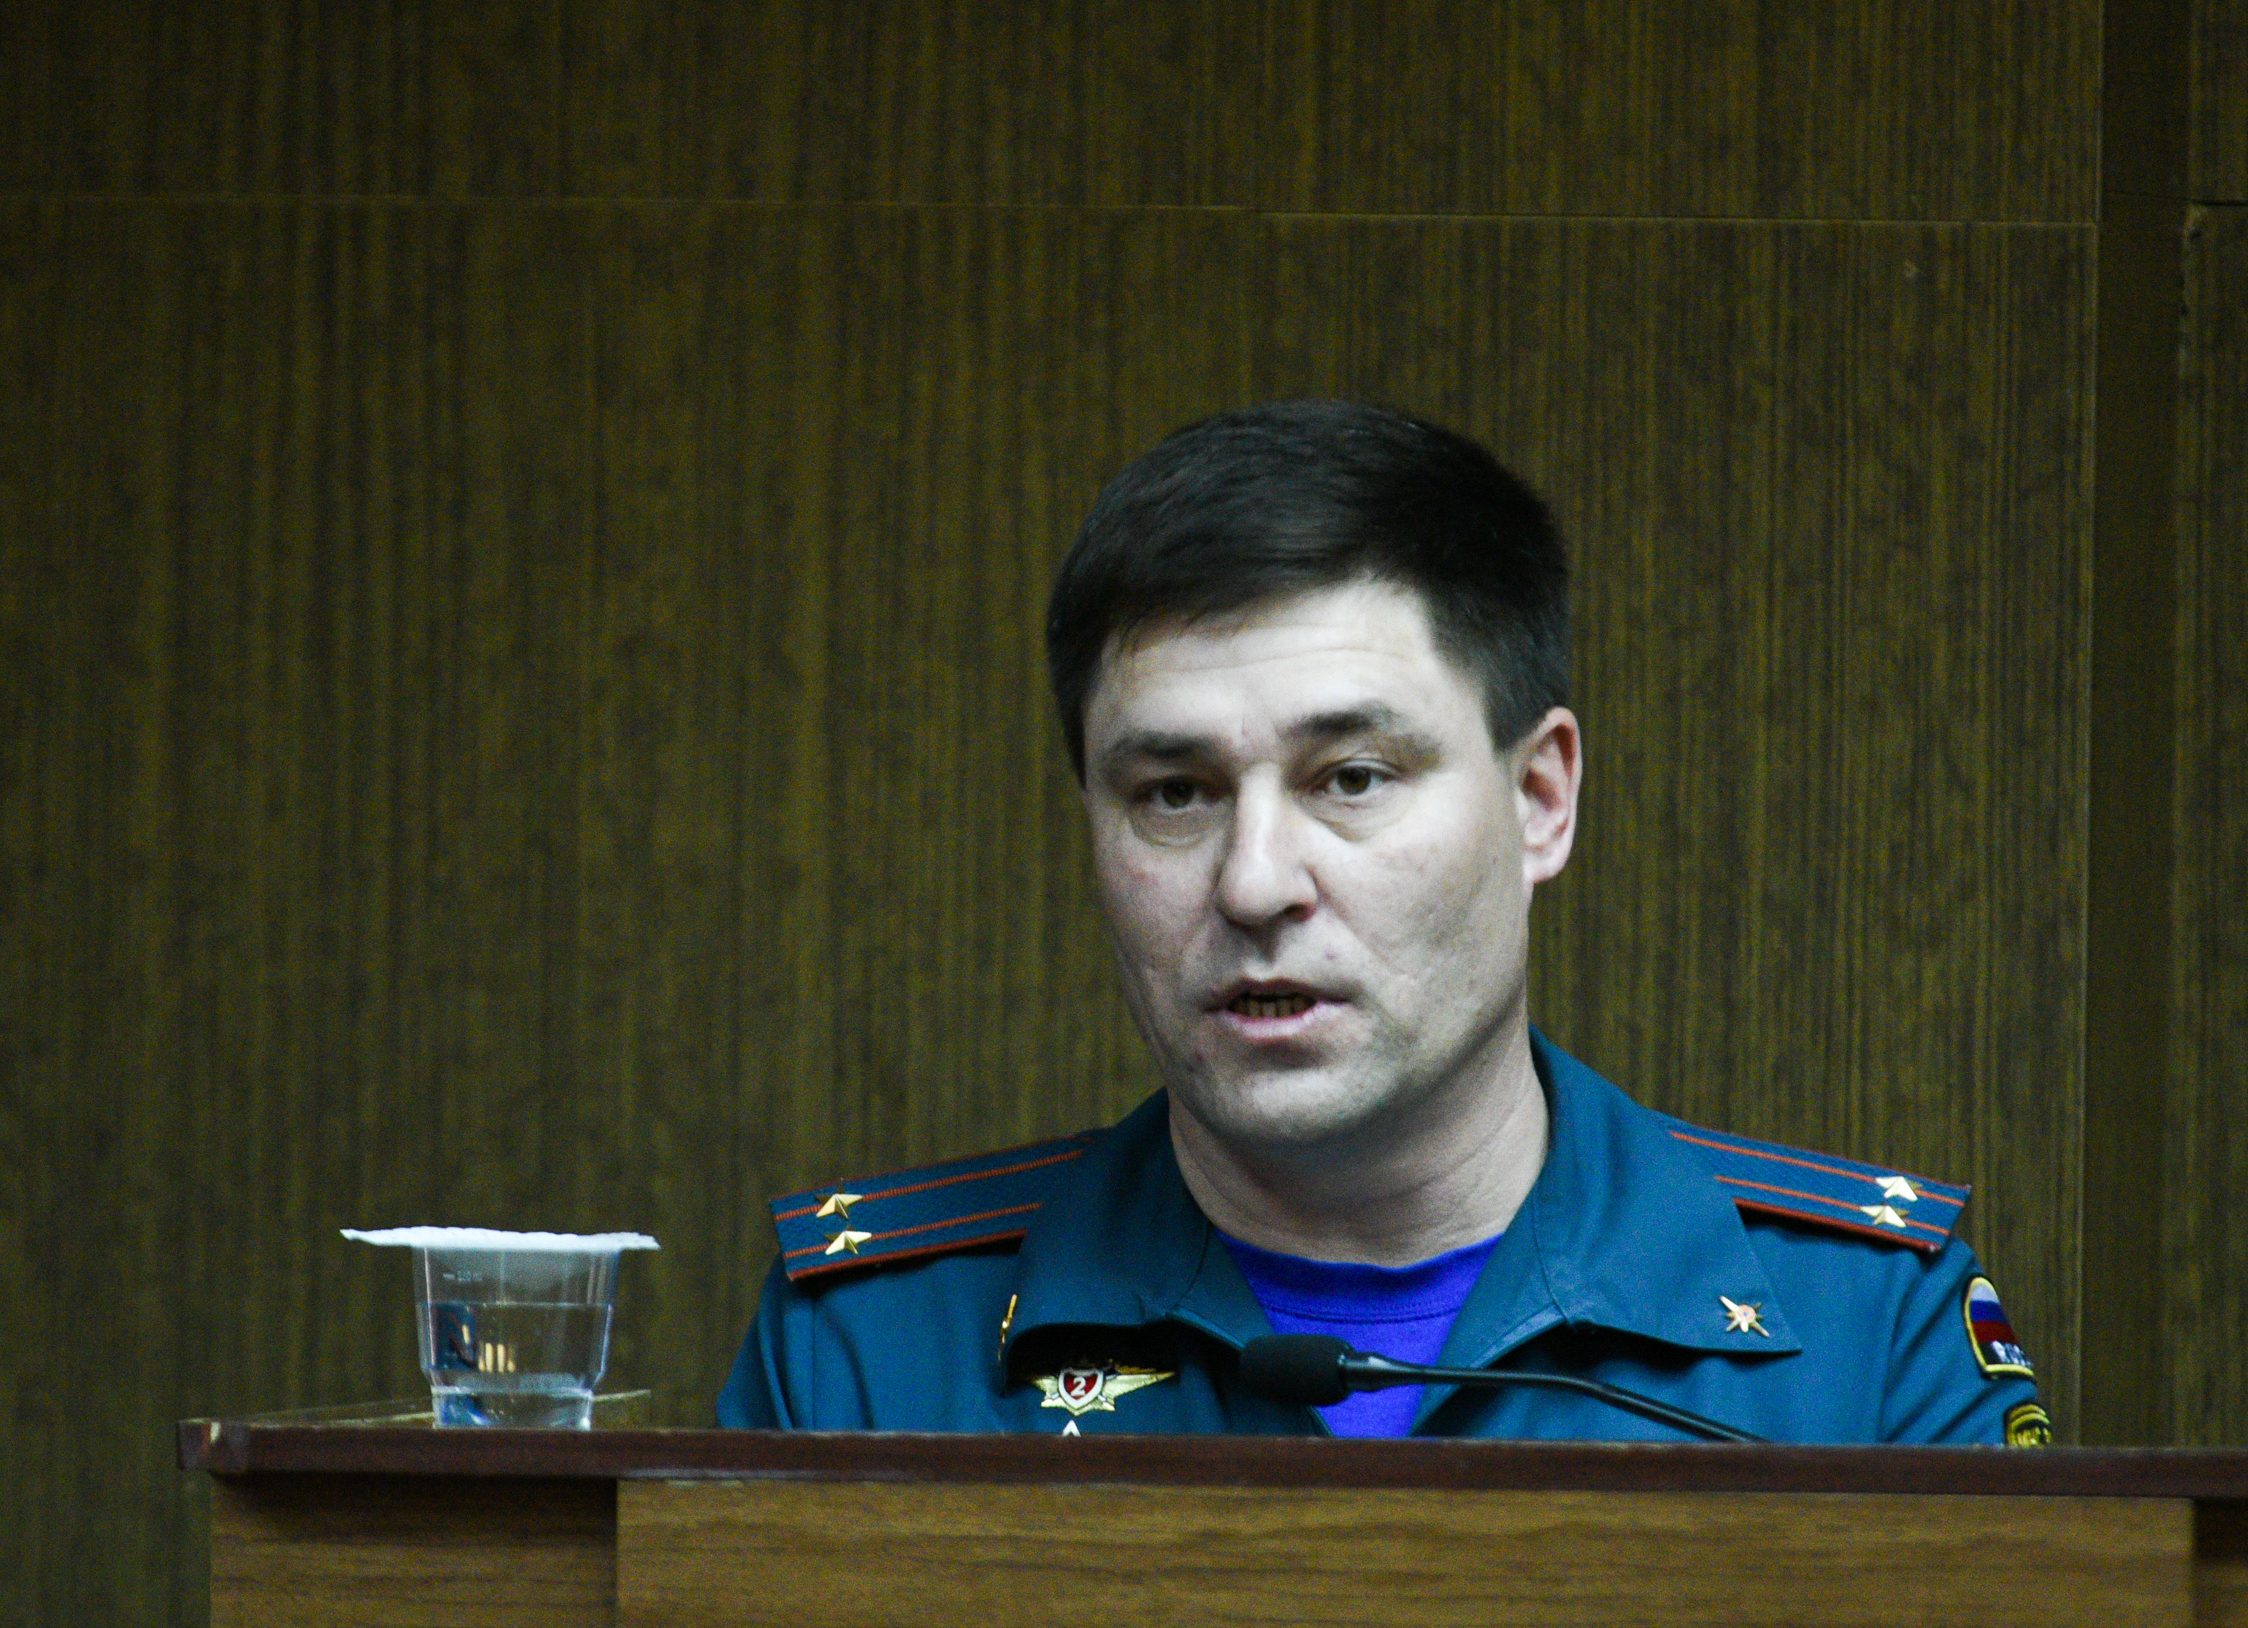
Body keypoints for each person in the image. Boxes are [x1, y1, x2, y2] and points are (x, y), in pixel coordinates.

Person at [717, 401, 2051, 1446]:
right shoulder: (872, 1352)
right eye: (1174, 794)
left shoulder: (1862, 1329)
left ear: (1540, 800)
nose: (1254, 884)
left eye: (1350, 779)